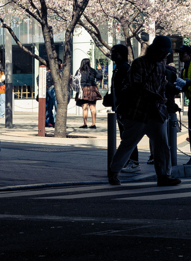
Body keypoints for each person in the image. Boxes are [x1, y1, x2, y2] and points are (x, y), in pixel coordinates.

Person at [107, 36, 181, 187]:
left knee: (162, 144)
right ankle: (114, 171)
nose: (164, 56)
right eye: (162, 52)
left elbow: (162, 85)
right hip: (138, 111)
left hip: (156, 111)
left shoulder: (161, 65)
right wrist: (154, 95)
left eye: (165, 54)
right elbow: (135, 85)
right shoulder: (139, 63)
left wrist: (168, 100)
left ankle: (164, 175)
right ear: (154, 50)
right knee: (129, 143)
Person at [107, 44, 141, 173]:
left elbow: (126, 89)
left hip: (125, 107)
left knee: (128, 136)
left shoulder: (124, 68)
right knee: (125, 135)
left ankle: (134, 162)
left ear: (120, 54)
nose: (111, 54)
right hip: (120, 107)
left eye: (114, 52)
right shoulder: (118, 68)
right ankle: (129, 161)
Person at [75, 58, 102, 129]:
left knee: (85, 107)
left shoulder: (79, 71)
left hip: (83, 90)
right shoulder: (92, 70)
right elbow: (100, 77)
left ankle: (85, 124)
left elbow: (75, 79)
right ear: (88, 63)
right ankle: (93, 124)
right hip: (92, 89)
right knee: (93, 107)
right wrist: (99, 70)